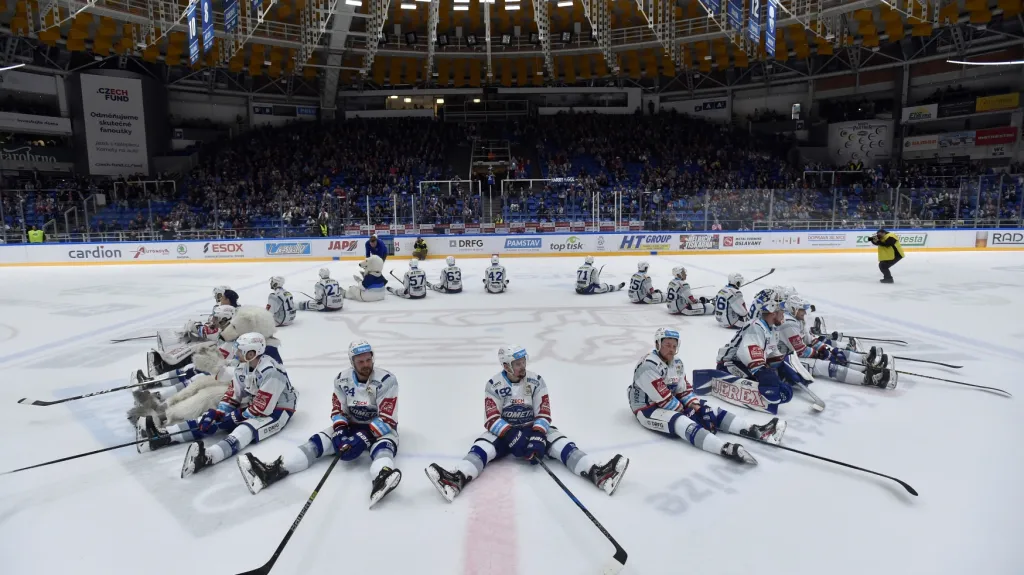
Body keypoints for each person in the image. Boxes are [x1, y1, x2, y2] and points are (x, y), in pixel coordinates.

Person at [424, 346, 629, 502]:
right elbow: (491, 418)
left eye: (523, 361)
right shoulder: (493, 384)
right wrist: (512, 435)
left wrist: (538, 435)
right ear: (506, 366)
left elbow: (544, 412)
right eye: (518, 363)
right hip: (504, 432)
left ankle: (598, 473)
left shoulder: (536, 381)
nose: (523, 366)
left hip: (532, 427)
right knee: (482, 447)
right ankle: (456, 478)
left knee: (560, 442)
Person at [235, 340, 402, 507]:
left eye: (368, 360)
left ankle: (382, 476)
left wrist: (362, 437)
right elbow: (338, 410)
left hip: (381, 428)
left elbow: (387, 418)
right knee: (316, 443)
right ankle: (273, 470)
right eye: (361, 361)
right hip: (352, 424)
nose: (366, 365)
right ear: (352, 362)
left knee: (383, 449)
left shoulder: (386, 380)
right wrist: (341, 432)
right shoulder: (342, 379)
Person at [135, 332, 297, 479]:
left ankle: (208, 457)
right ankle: (163, 436)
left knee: (245, 429)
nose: (236, 353)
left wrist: (233, 418)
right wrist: (219, 413)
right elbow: (234, 394)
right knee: (208, 419)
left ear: (252, 352)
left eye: (240, 350)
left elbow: (262, 409)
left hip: (279, 409)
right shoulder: (243, 367)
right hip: (257, 402)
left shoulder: (271, 372)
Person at [630, 328, 785, 465]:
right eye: (667, 345)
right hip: (648, 408)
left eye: (674, 345)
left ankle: (753, 429)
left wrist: (697, 407)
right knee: (682, 421)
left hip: (668, 400)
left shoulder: (677, 363)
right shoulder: (648, 366)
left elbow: (683, 390)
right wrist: (691, 414)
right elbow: (664, 400)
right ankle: (724, 448)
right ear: (658, 344)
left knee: (710, 410)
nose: (671, 349)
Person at [129, 306, 280, 429]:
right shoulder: (248, 344)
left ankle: (168, 419)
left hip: (251, 396)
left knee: (208, 395)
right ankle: (163, 406)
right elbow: (237, 368)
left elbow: (249, 378)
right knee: (200, 382)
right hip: (238, 385)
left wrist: (216, 366)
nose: (230, 330)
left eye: (235, 327)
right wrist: (218, 361)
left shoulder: (267, 352)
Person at [707, 291, 805, 415]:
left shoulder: (772, 329)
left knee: (776, 375)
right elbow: (748, 354)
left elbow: (772, 356)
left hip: (745, 363)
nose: (783, 316)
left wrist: (785, 366)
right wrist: (767, 376)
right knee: (767, 380)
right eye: (782, 312)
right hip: (729, 363)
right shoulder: (756, 326)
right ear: (773, 313)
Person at [775, 295, 896, 389]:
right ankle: (867, 378)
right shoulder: (788, 324)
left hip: (795, 355)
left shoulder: (798, 320)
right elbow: (801, 350)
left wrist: (827, 350)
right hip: (787, 360)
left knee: (834, 352)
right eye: (802, 310)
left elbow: (809, 339)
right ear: (794, 309)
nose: (805, 312)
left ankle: (863, 362)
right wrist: (821, 355)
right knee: (827, 366)